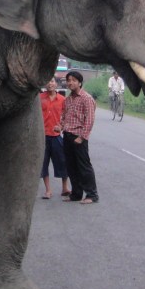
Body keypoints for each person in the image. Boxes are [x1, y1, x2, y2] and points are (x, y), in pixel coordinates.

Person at [56, 70, 99, 205]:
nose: (70, 83)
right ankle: (76, 194)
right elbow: (65, 117)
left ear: (80, 82)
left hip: (79, 137)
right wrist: (60, 127)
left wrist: (82, 137)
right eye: (69, 80)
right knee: (71, 167)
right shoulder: (68, 100)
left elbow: (90, 120)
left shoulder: (86, 98)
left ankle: (92, 195)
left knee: (84, 166)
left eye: (74, 80)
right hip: (67, 136)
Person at [39, 78, 70, 199]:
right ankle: (48, 190)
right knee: (43, 163)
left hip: (57, 136)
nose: (50, 83)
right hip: (42, 136)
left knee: (63, 162)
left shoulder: (63, 100)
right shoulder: (39, 98)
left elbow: (67, 117)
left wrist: (61, 127)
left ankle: (65, 187)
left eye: (52, 81)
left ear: (56, 84)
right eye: (48, 81)